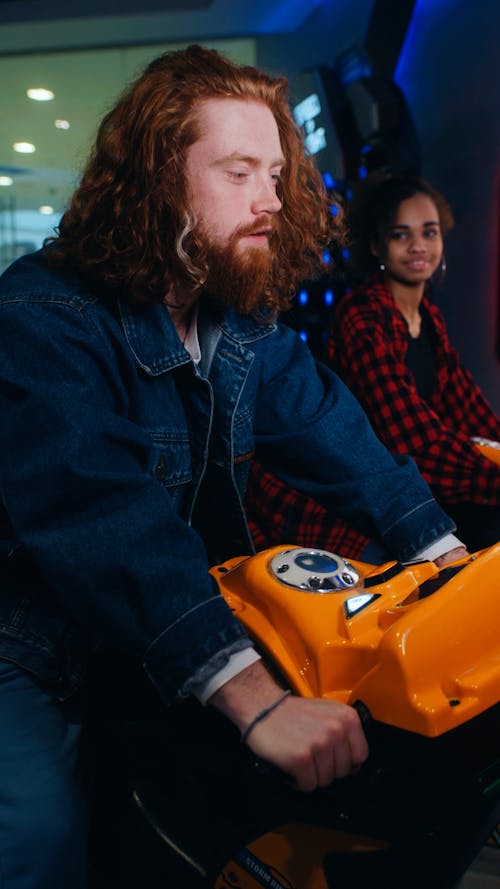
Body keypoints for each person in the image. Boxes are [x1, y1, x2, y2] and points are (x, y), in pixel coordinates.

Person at [0, 47, 467, 888]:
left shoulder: (233, 316)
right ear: (155, 183)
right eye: (240, 171)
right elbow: (103, 513)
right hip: (29, 643)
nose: (273, 200)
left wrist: (450, 563)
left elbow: (340, 436)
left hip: (146, 633)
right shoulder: (42, 314)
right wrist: (259, 702)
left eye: (278, 173)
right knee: (41, 835)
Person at [245, 173, 500, 558]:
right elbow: (410, 438)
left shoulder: (429, 317)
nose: (418, 246)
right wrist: (493, 481)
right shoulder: (363, 317)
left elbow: (468, 410)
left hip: (425, 482)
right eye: (401, 235)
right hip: (374, 497)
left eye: (429, 233)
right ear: (376, 246)